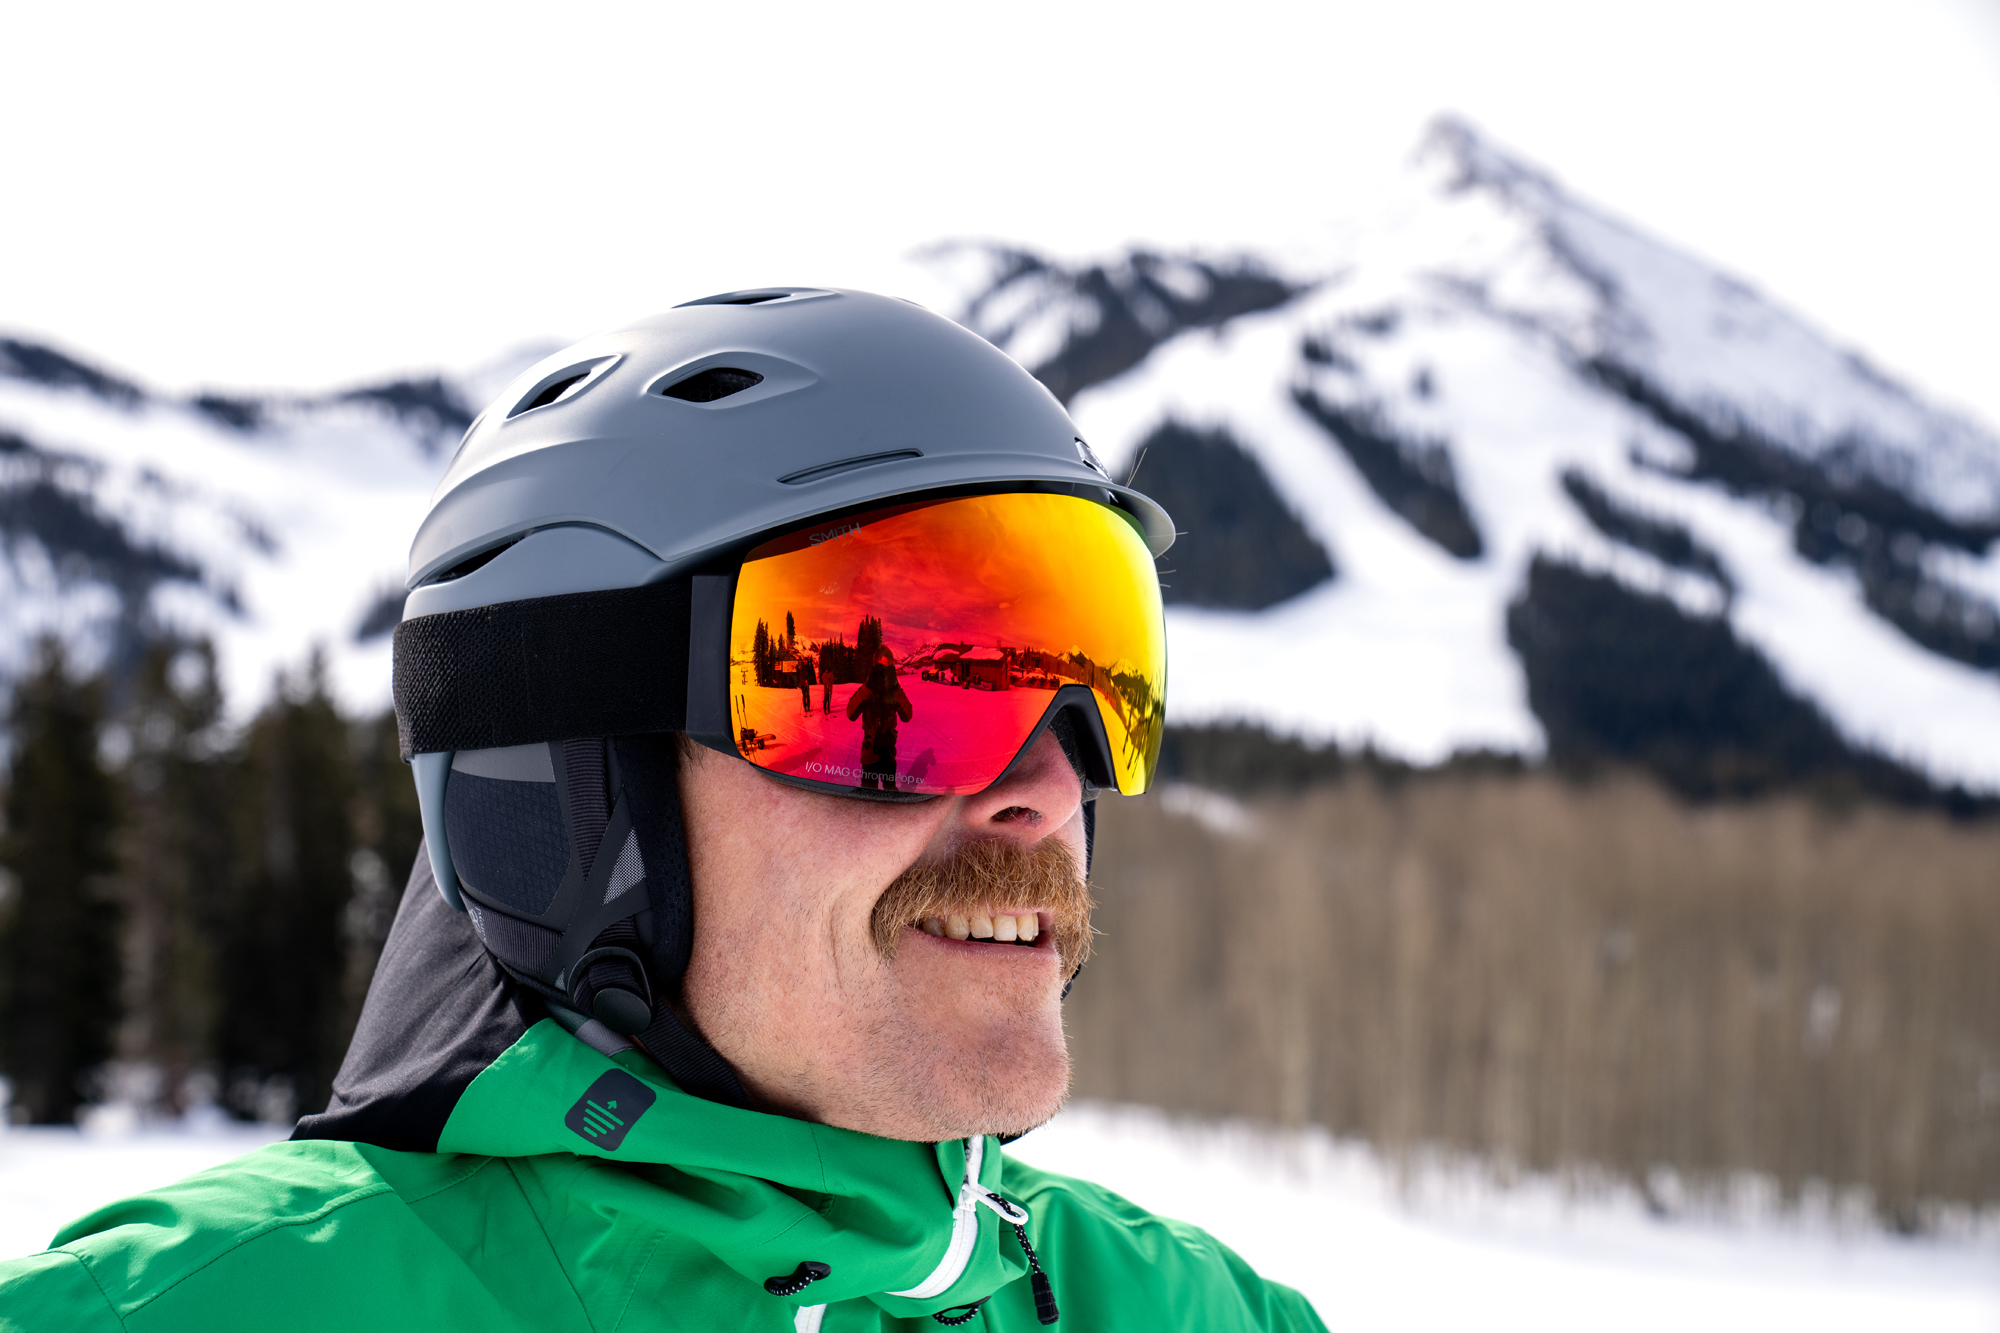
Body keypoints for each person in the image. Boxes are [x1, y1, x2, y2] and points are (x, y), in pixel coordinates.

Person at [0, 289, 1323, 1332]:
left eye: (1095, 685)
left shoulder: (1187, 1312)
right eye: (895, 699)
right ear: (572, 793)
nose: (1045, 789)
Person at [846, 646, 913, 791]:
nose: (884, 674)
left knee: (890, 792)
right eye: (881, 668)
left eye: (888, 669)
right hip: (870, 754)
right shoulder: (868, 689)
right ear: (874, 667)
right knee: (869, 793)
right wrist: (869, 686)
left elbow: (907, 716)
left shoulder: (893, 691)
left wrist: (896, 688)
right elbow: (850, 714)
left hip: (888, 753)